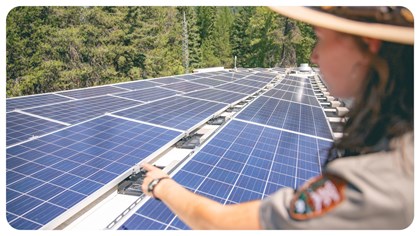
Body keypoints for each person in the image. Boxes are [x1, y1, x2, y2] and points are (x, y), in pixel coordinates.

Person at [140, 6, 414, 229]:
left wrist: (160, 185)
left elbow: (221, 225)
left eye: (321, 38)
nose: (314, 55)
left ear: (369, 45)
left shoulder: (375, 182)